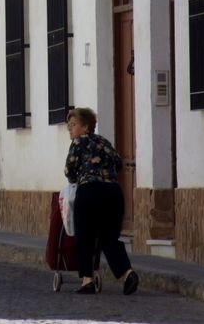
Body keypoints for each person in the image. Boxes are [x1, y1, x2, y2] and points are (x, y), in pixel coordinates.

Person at [64, 106, 140, 296]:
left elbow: (69, 171)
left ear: (86, 127)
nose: (70, 129)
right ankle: (128, 273)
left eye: (73, 125)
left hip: (89, 193)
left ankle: (87, 281)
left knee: (85, 236)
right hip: (113, 193)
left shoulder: (78, 142)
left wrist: (80, 178)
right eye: (69, 125)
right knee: (109, 238)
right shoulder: (104, 142)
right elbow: (118, 163)